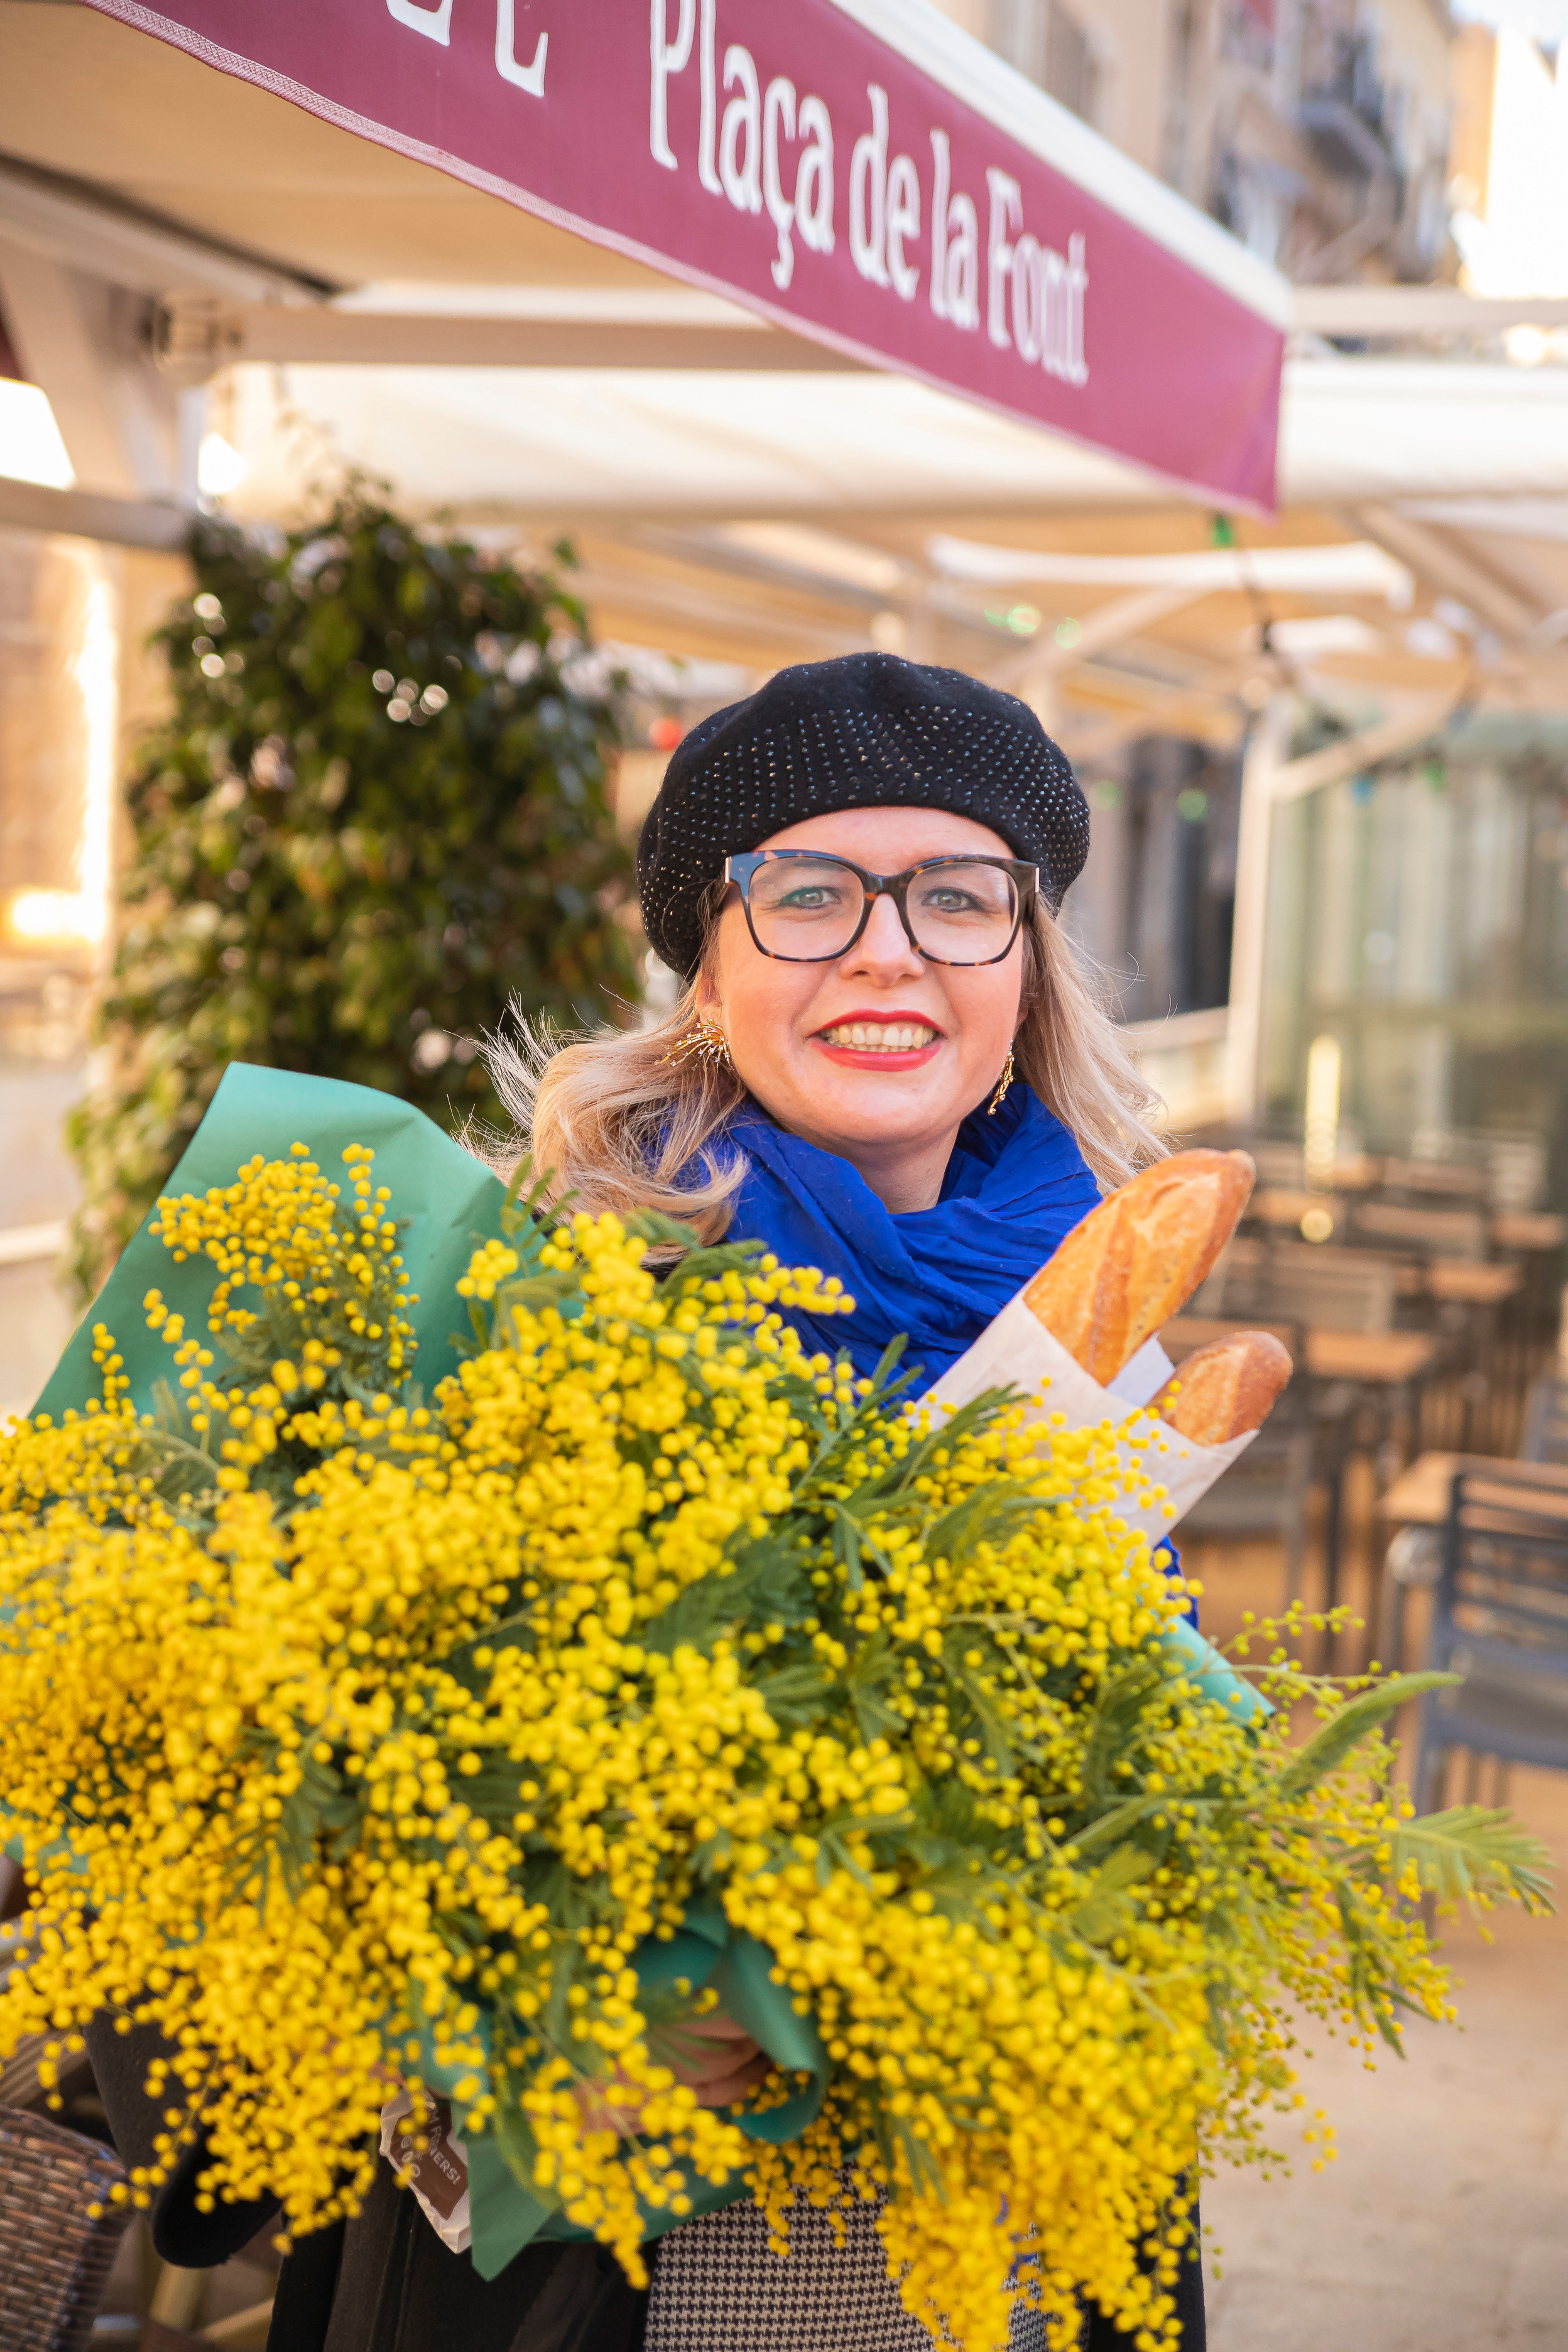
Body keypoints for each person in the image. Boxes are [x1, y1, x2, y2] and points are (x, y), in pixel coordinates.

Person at [93, 651, 1201, 2351]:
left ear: (1025, 966)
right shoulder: (518, 1308)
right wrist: (528, 2039)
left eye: (959, 897)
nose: (889, 949)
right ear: (707, 964)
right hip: (595, 2288)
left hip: (1001, 2279)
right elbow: (217, 1836)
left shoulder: (1100, 1334)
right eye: (808, 894)